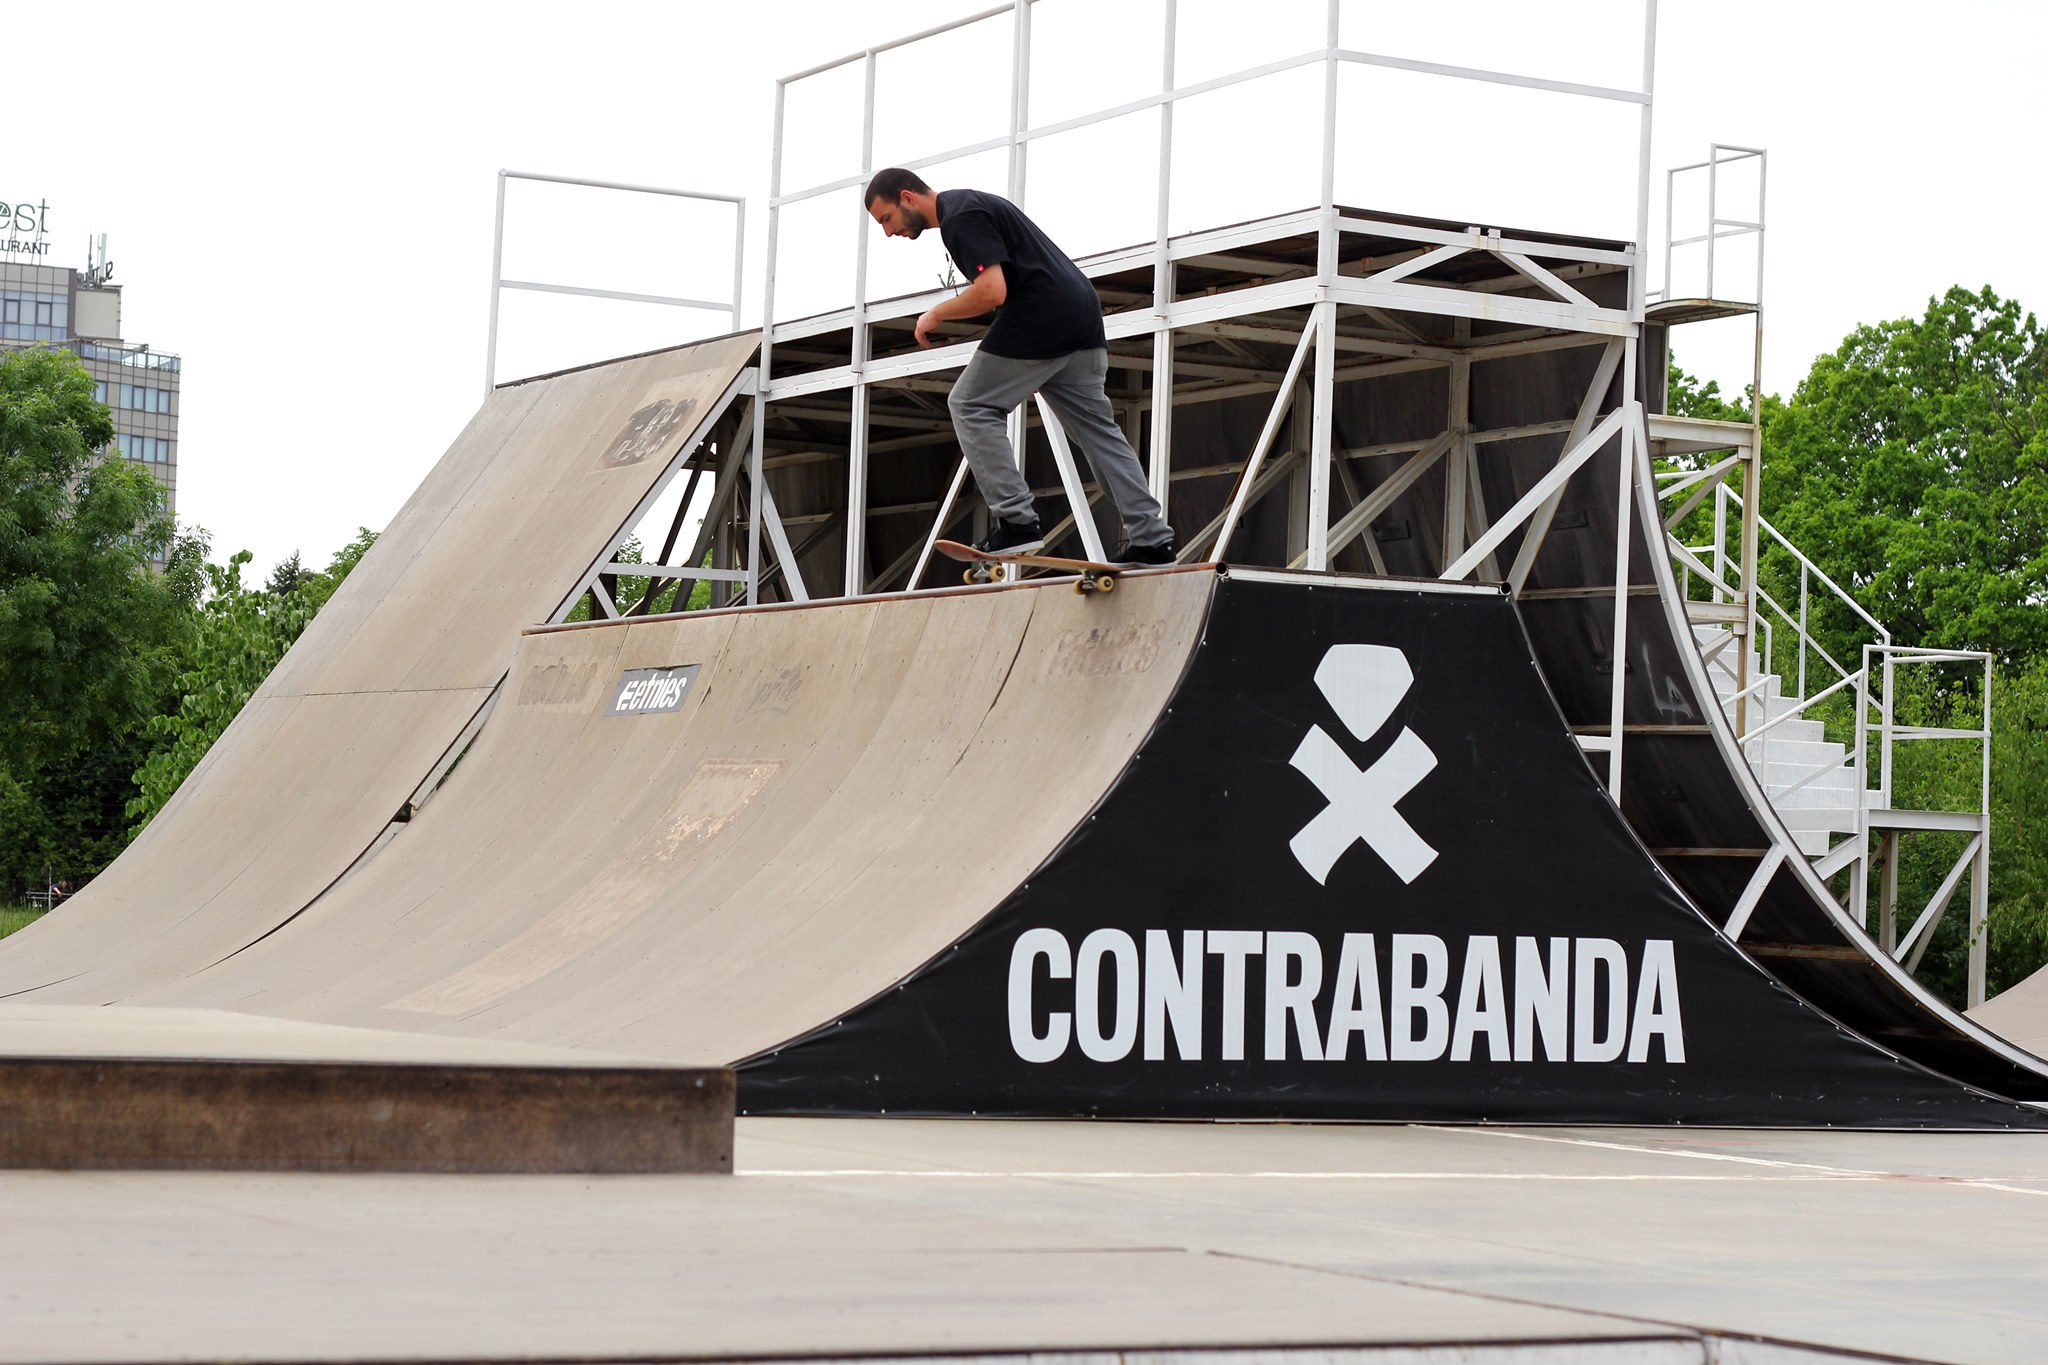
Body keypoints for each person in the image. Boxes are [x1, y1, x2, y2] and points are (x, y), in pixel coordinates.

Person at [864, 168, 1177, 565]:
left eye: (886, 220)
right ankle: (1153, 540)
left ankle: (1017, 523)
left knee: (969, 404)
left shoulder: (958, 216)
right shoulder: (975, 201)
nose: (889, 233)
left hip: (1042, 316)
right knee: (1098, 432)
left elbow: (992, 291)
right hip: (1081, 314)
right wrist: (1031, 368)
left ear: (907, 197)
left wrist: (937, 313)